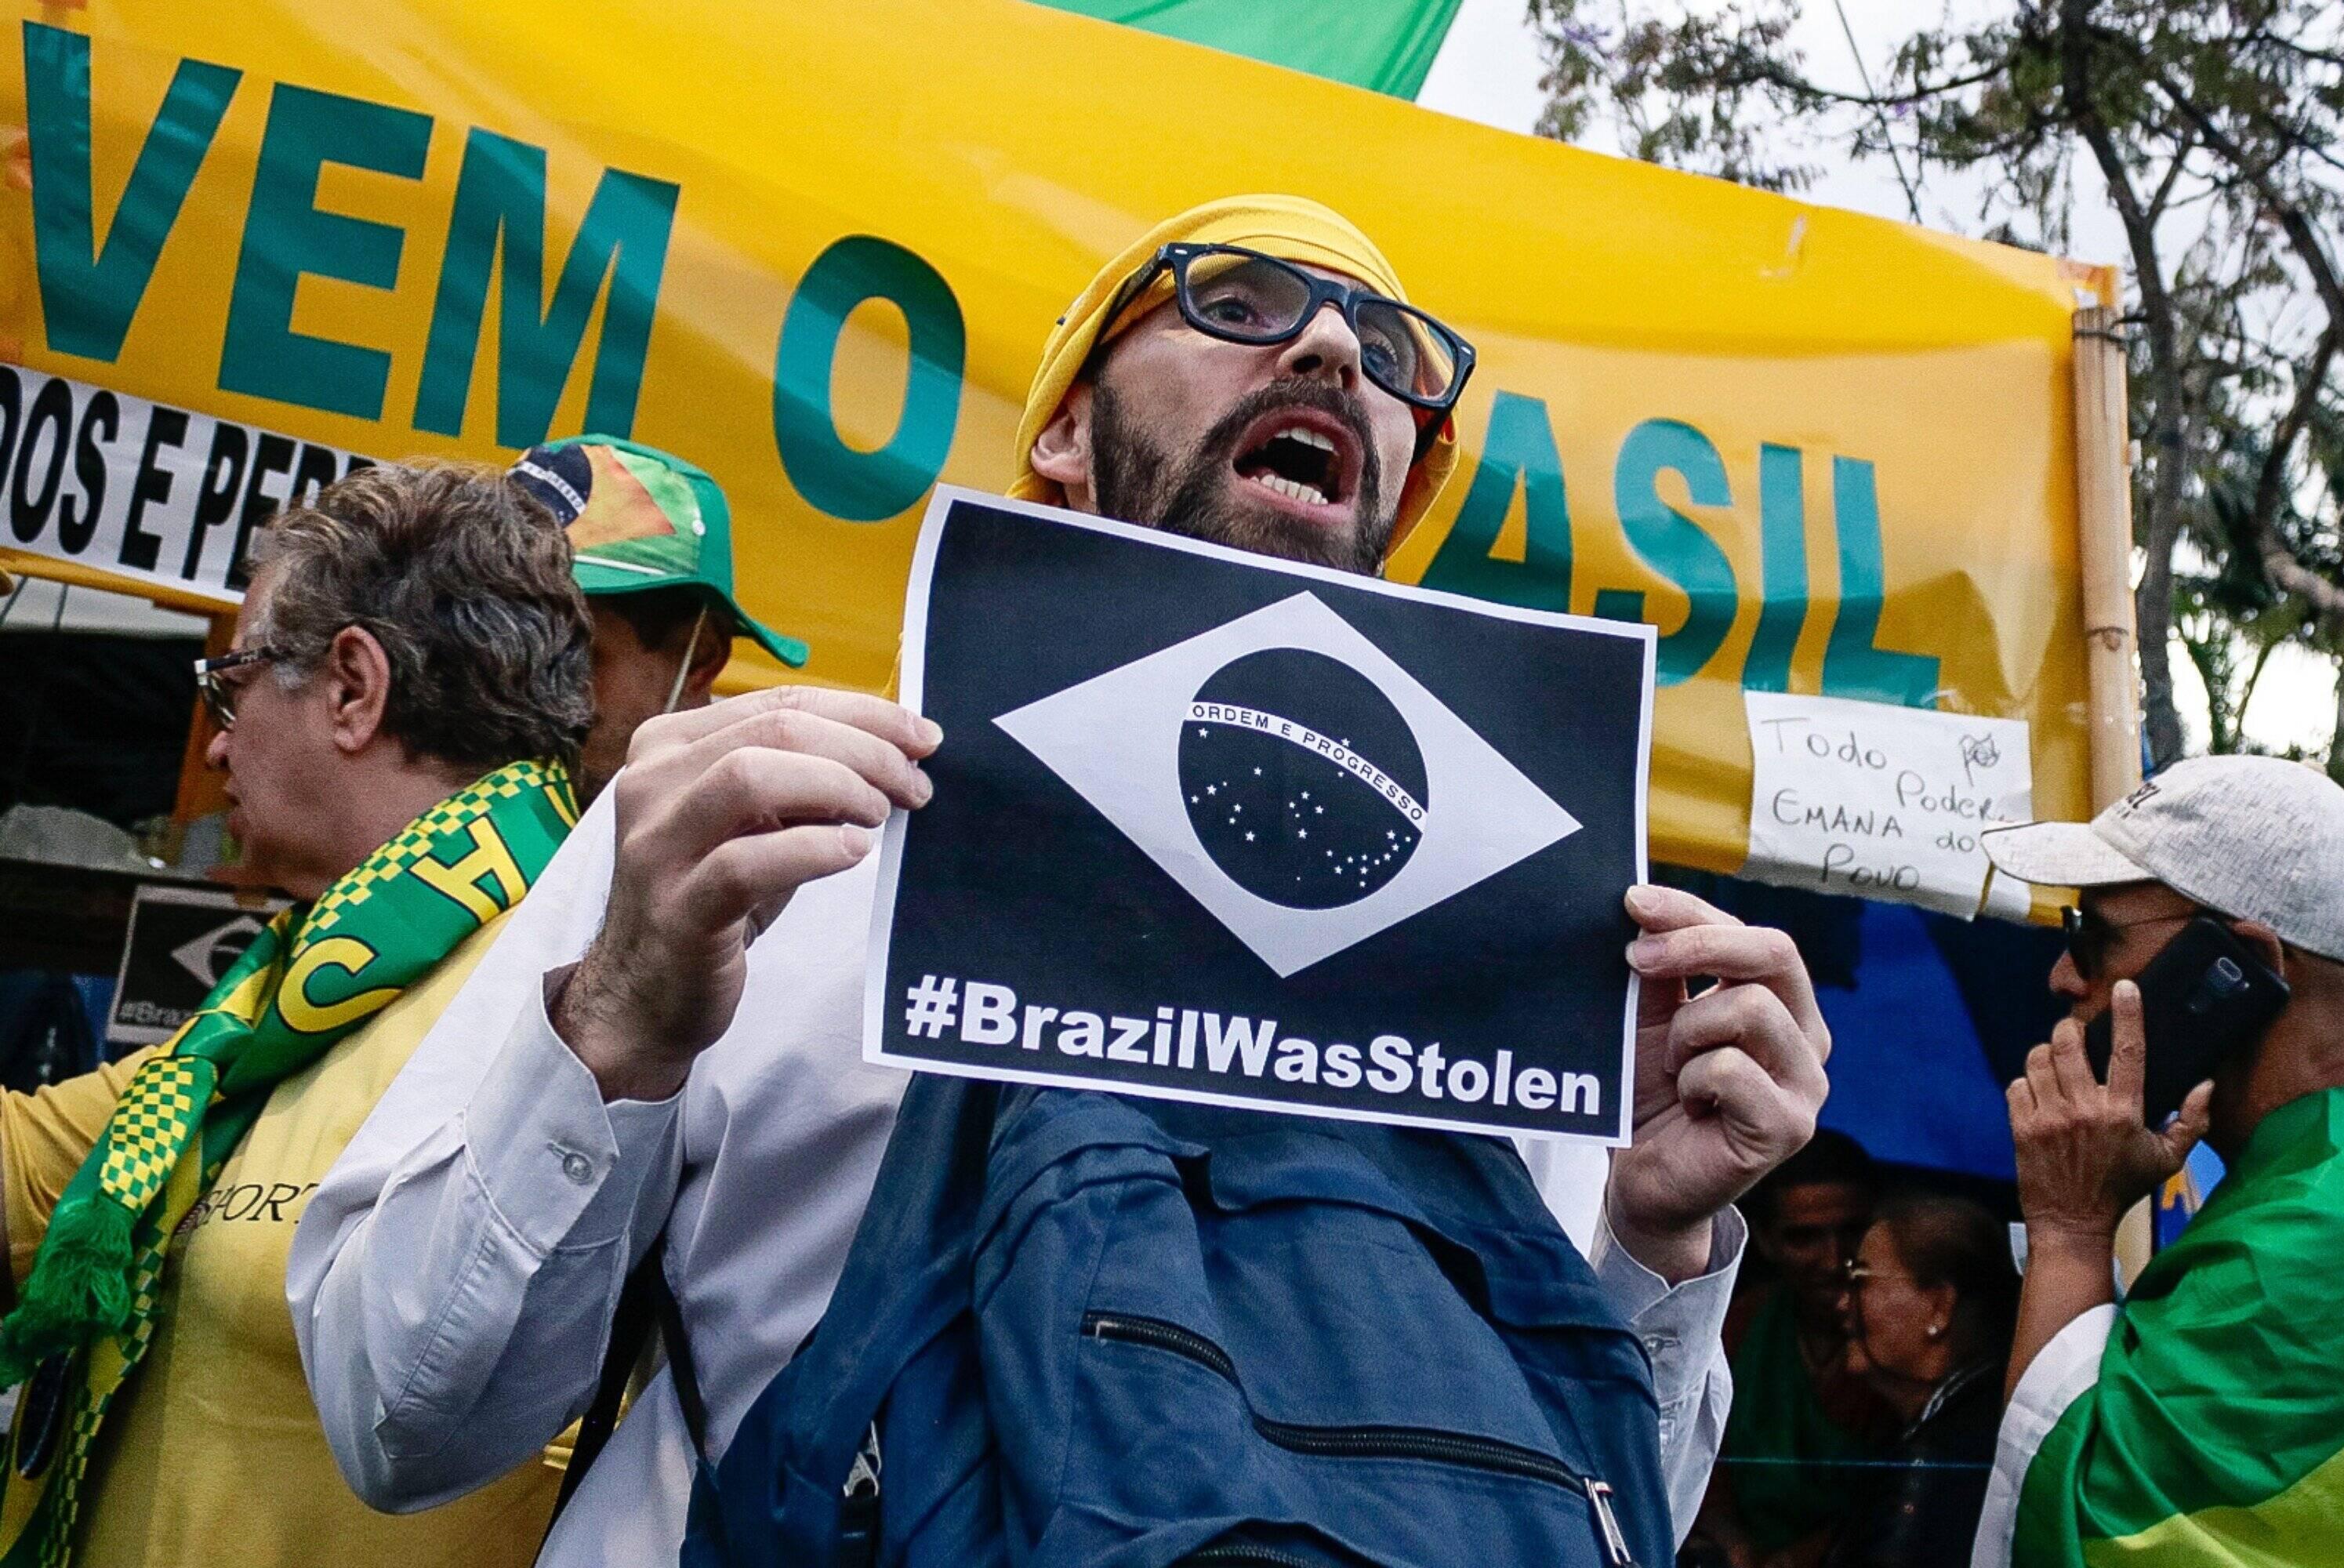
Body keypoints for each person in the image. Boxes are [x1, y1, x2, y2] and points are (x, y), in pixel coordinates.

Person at [291, 194, 1834, 1563]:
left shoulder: (1514, 943)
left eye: (1387, 348)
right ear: (1064, 431)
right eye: (1234, 300)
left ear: (1403, 491)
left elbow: (1586, 1512)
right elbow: (396, 1422)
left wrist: (1654, 1237)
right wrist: (615, 1018)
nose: (1330, 355)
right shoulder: (761, 810)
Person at [0, 464, 590, 1566]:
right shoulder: (291, 1000)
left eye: (232, 685)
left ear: (354, 690)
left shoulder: (569, 1000)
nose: (215, 742)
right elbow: (26, 1175)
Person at [1968, 755, 2344, 1566]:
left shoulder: (2306, 1234)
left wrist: (2071, 1227)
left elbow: (2073, 1530)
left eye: (2096, 936)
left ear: (2242, 968)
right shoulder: (2310, 1179)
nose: (2063, 972)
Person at [509, 436, 811, 803]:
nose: (512, 687)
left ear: (701, 657)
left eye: (570, 654)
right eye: (496, 640)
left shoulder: (777, 846)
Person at [1694, 1131, 1895, 1568]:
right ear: (1765, 1242)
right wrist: (1733, 1543)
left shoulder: (1910, 1335)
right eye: (1804, 1238)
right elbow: (1701, 1462)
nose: (1834, 1258)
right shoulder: (1732, 1328)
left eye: (1853, 1232)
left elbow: (1906, 1491)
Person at [1824, 1193, 2014, 1568]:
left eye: (1860, 1280)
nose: (1843, 1304)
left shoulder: (1951, 1453)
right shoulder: (1952, 1424)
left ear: (1938, 1307)